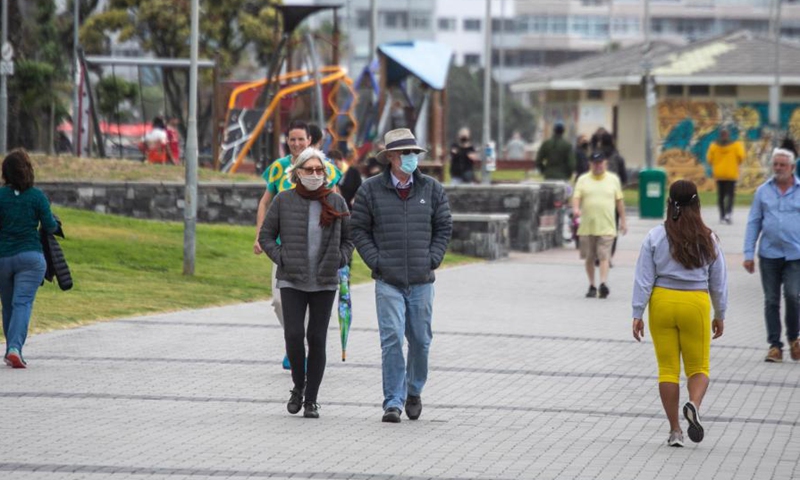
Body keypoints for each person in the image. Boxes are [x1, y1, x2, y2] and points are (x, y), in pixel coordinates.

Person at [351, 128, 453, 423]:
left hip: (422, 280)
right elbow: (358, 229)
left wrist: (432, 259)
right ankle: (393, 402)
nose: (412, 158)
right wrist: (376, 261)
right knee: (392, 338)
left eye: (414, 153)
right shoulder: (370, 190)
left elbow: (444, 226)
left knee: (420, 340)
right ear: (392, 157)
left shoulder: (432, 189)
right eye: (406, 153)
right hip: (388, 280)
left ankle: (414, 391)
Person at [259, 147, 353, 419]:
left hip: (324, 280)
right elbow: (266, 236)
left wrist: (339, 258)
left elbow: (349, 239)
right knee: (293, 335)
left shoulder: (336, 202)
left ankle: (311, 399)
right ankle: (298, 387)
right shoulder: (284, 200)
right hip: (292, 279)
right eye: (309, 170)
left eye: (319, 170)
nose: (314, 174)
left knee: (317, 338)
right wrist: (282, 258)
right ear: (297, 172)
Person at [632, 180, 727, 447]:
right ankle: (693, 404)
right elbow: (718, 281)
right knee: (699, 368)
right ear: (697, 204)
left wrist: (637, 312)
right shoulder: (708, 238)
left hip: (662, 302)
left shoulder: (655, 236)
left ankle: (675, 430)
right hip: (695, 303)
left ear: (669, 203)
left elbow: (643, 278)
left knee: (667, 370)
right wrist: (720, 313)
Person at [253, 120, 341, 370]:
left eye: (301, 139)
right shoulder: (278, 168)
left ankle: (302, 348)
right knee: (279, 301)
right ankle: (294, 342)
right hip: (285, 249)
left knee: (312, 303)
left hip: (318, 248)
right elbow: (265, 202)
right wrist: (259, 235)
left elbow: (336, 202)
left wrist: (338, 247)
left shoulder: (324, 167)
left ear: (309, 140)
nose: (296, 143)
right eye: (292, 139)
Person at [0, 149, 58, 368]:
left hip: (3, 257)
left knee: (8, 305)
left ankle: (11, 349)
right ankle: (14, 349)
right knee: (22, 303)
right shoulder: (37, 196)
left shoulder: (1, 196)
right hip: (31, 258)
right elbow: (50, 226)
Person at [743, 148, 800, 363]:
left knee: (793, 296)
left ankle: (794, 338)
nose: (778, 168)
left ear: (792, 167)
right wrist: (748, 253)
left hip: (795, 255)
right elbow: (753, 222)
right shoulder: (762, 191)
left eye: (782, 165)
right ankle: (775, 346)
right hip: (769, 254)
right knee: (771, 300)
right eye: (775, 164)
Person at [571, 151, 627, 299]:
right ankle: (592, 285)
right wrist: (576, 209)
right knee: (589, 257)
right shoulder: (583, 179)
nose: (598, 166)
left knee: (604, 256)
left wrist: (623, 221)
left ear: (605, 163)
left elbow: (619, 201)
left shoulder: (613, 180)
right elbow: (576, 197)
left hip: (607, 225)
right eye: (595, 163)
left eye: (600, 163)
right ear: (590, 164)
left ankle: (602, 283)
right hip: (587, 226)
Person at [707, 128, 745, 224]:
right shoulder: (736, 145)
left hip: (719, 174)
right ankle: (728, 213)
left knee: (721, 196)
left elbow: (709, 159)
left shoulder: (714, 146)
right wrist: (735, 163)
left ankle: (722, 215)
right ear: (728, 135)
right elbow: (741, 157)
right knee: (730, 195)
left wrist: (716, 164)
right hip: (731, 174)